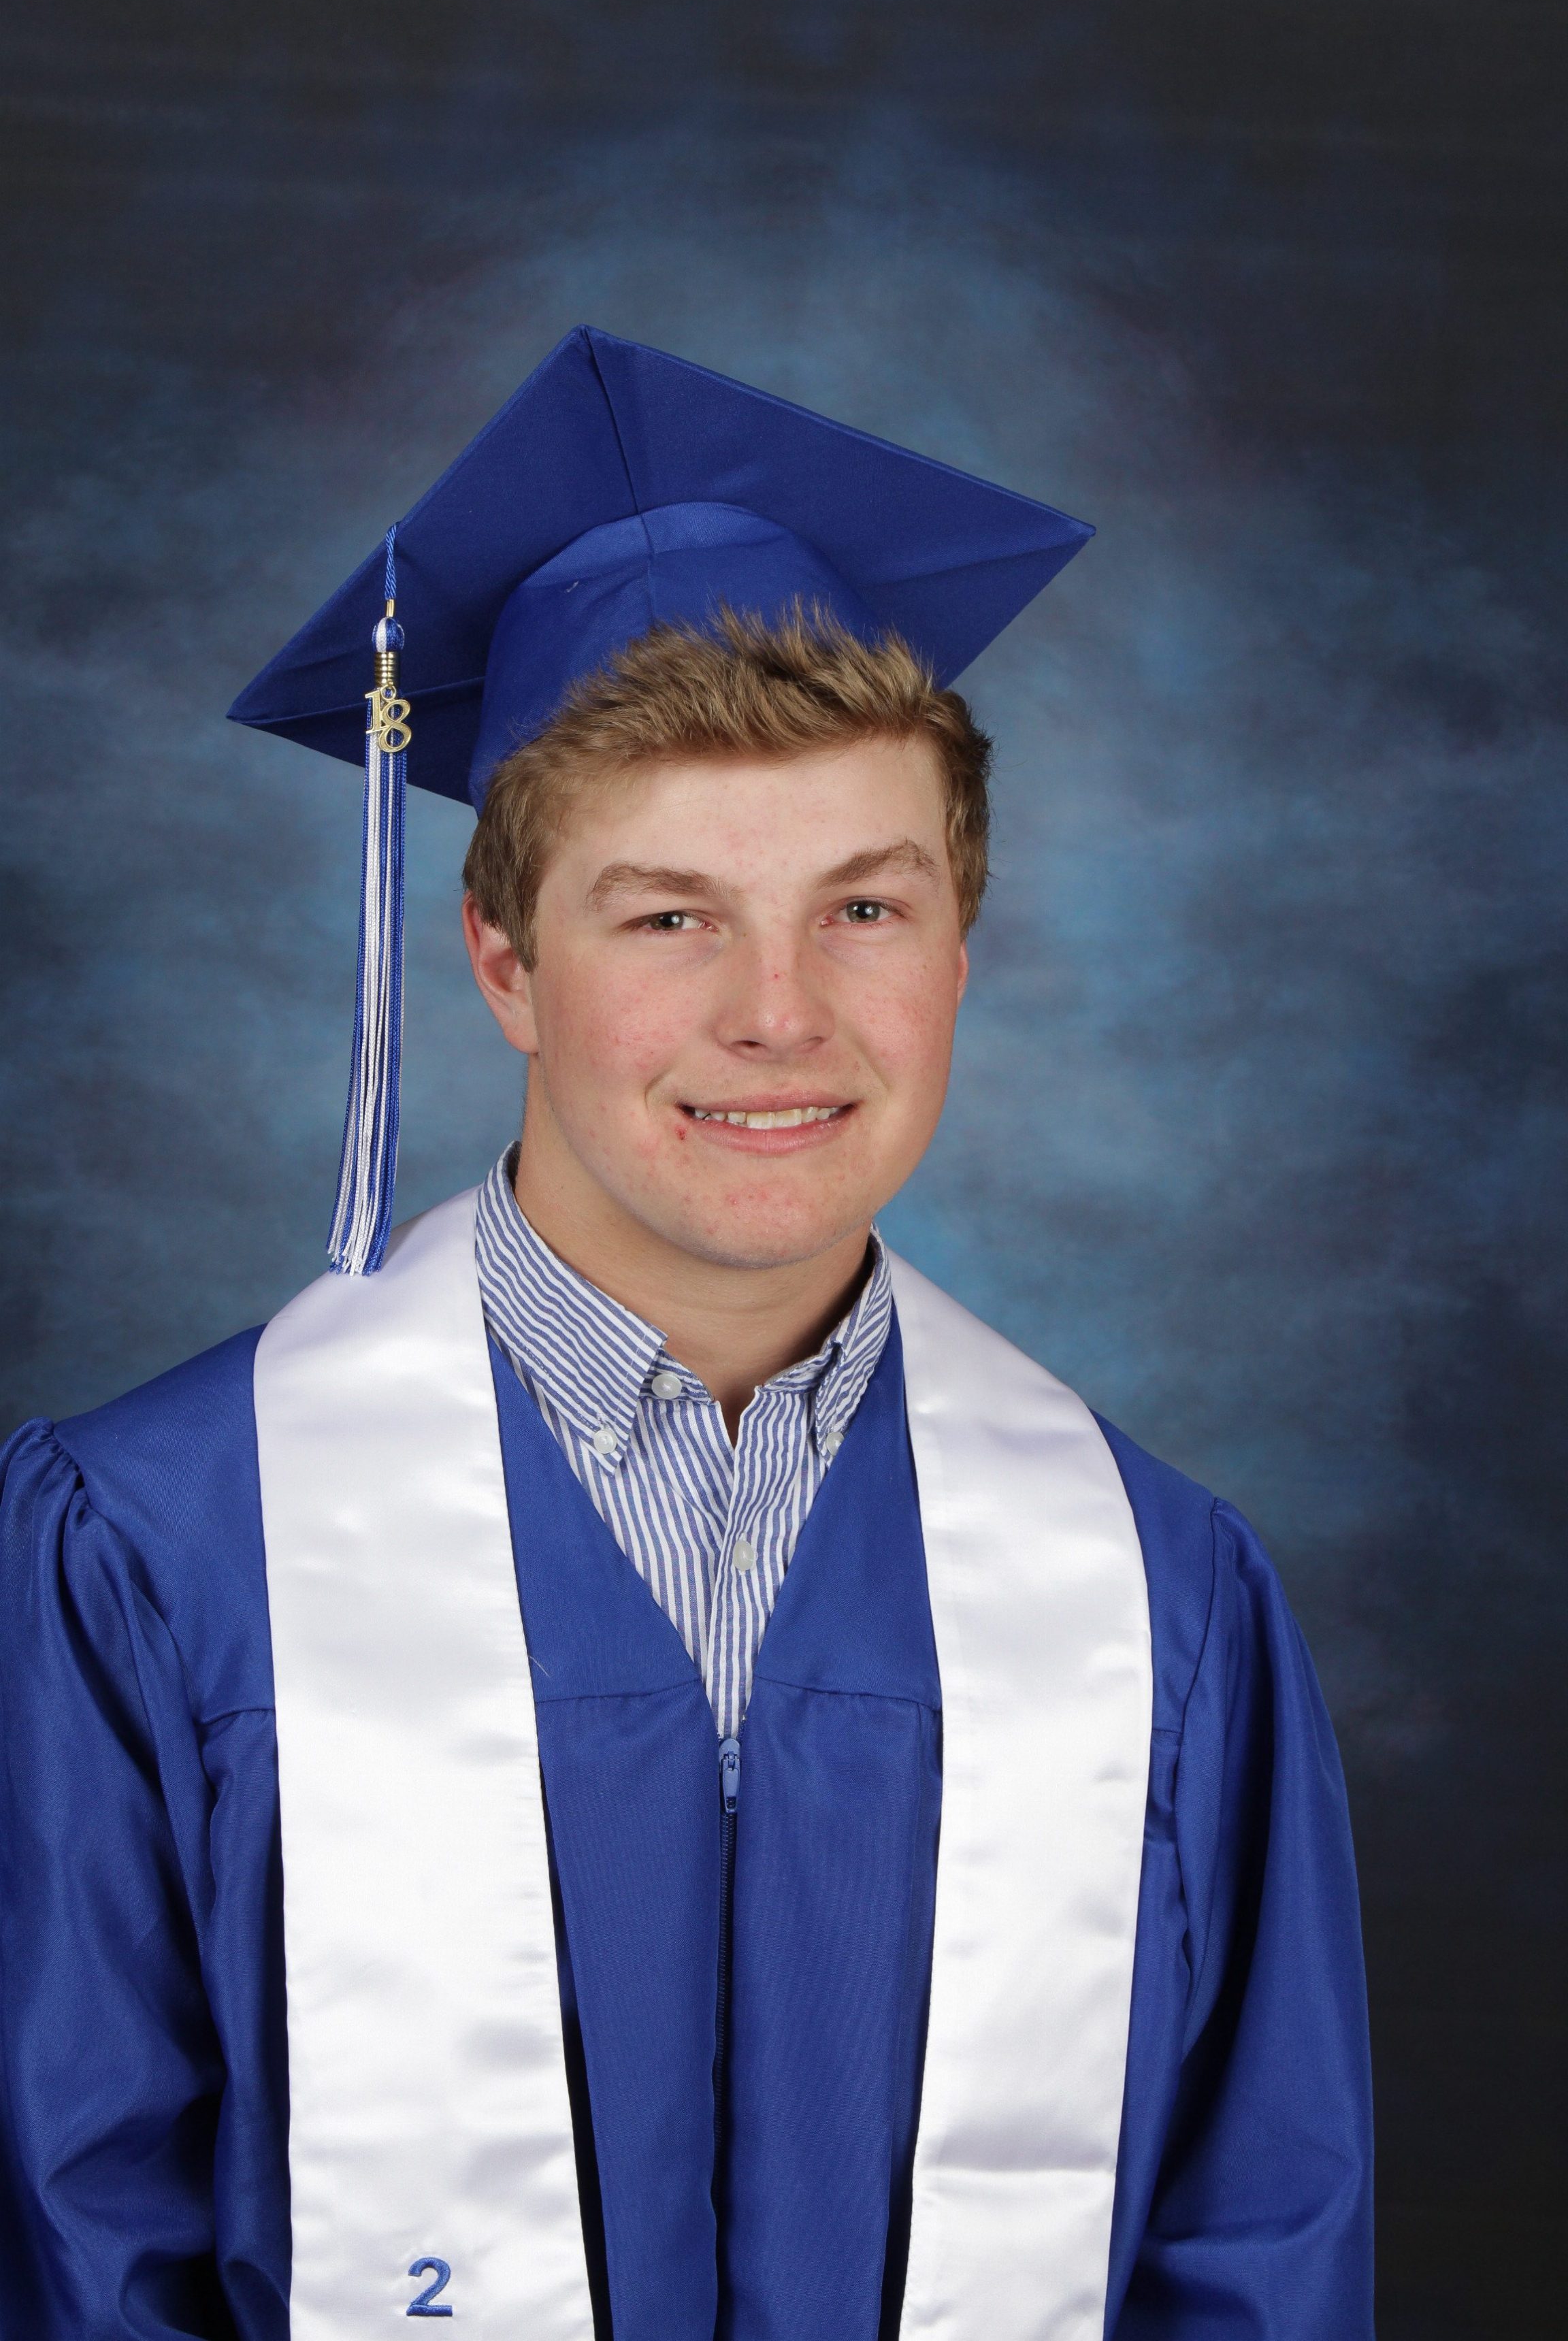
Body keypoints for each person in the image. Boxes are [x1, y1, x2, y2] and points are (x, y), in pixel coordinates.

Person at [0, 328, 1373, 2341]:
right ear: (502, 960)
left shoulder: (1157, 1596)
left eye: (865, 910)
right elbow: (75, 2252)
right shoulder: (157, 1556)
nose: (779, 1015)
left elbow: (1257, 2261)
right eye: (668, 917)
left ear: (963, 947)